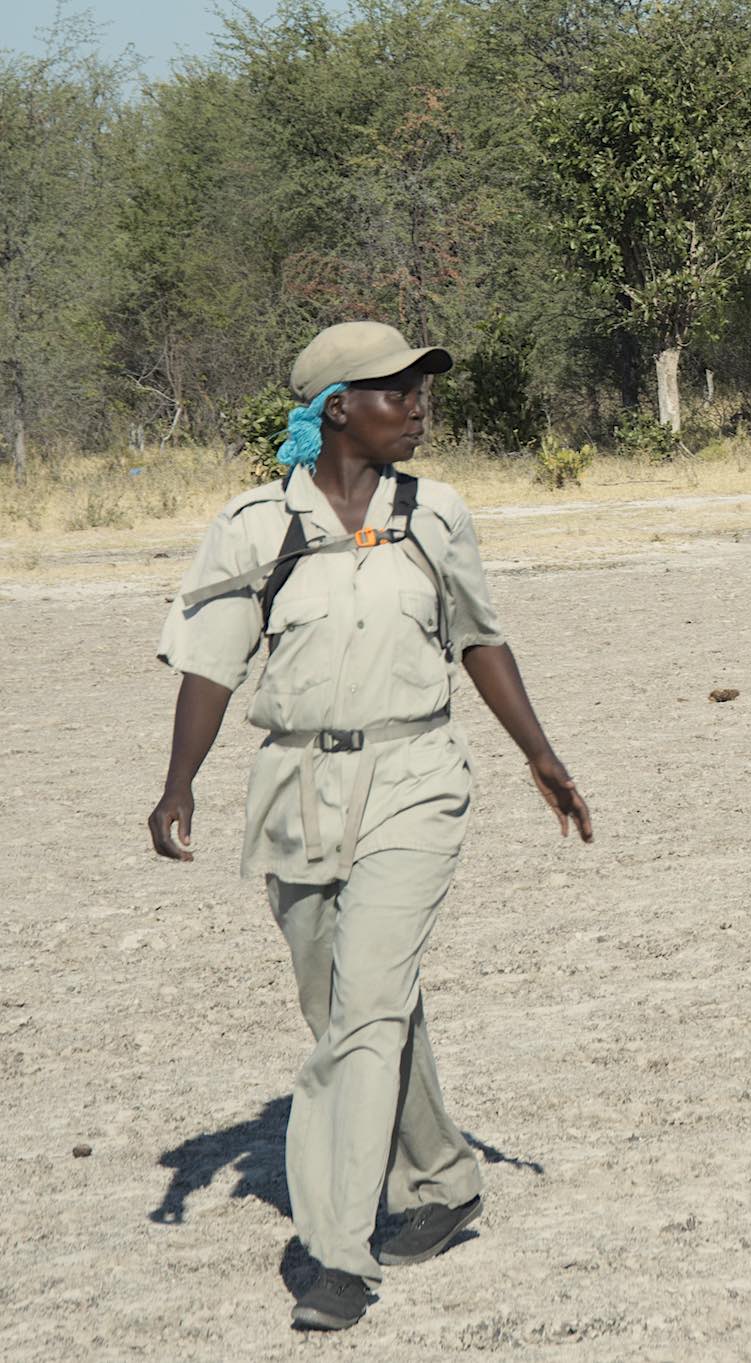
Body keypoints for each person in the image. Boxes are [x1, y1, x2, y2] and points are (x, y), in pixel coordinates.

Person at [147, 321, 594, 1331]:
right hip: (295, 786)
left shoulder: (437, 516)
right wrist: (178, 782)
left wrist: (539, 752)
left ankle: (339, 1252)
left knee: (369, 1007)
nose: (419, 405)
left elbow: (480, 637)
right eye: (397, 390)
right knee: (348, 1007)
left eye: (423, 388)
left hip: (417, 778)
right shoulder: (255, 526)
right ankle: (443, 1177)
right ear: (336, 408)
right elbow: (213, 663)